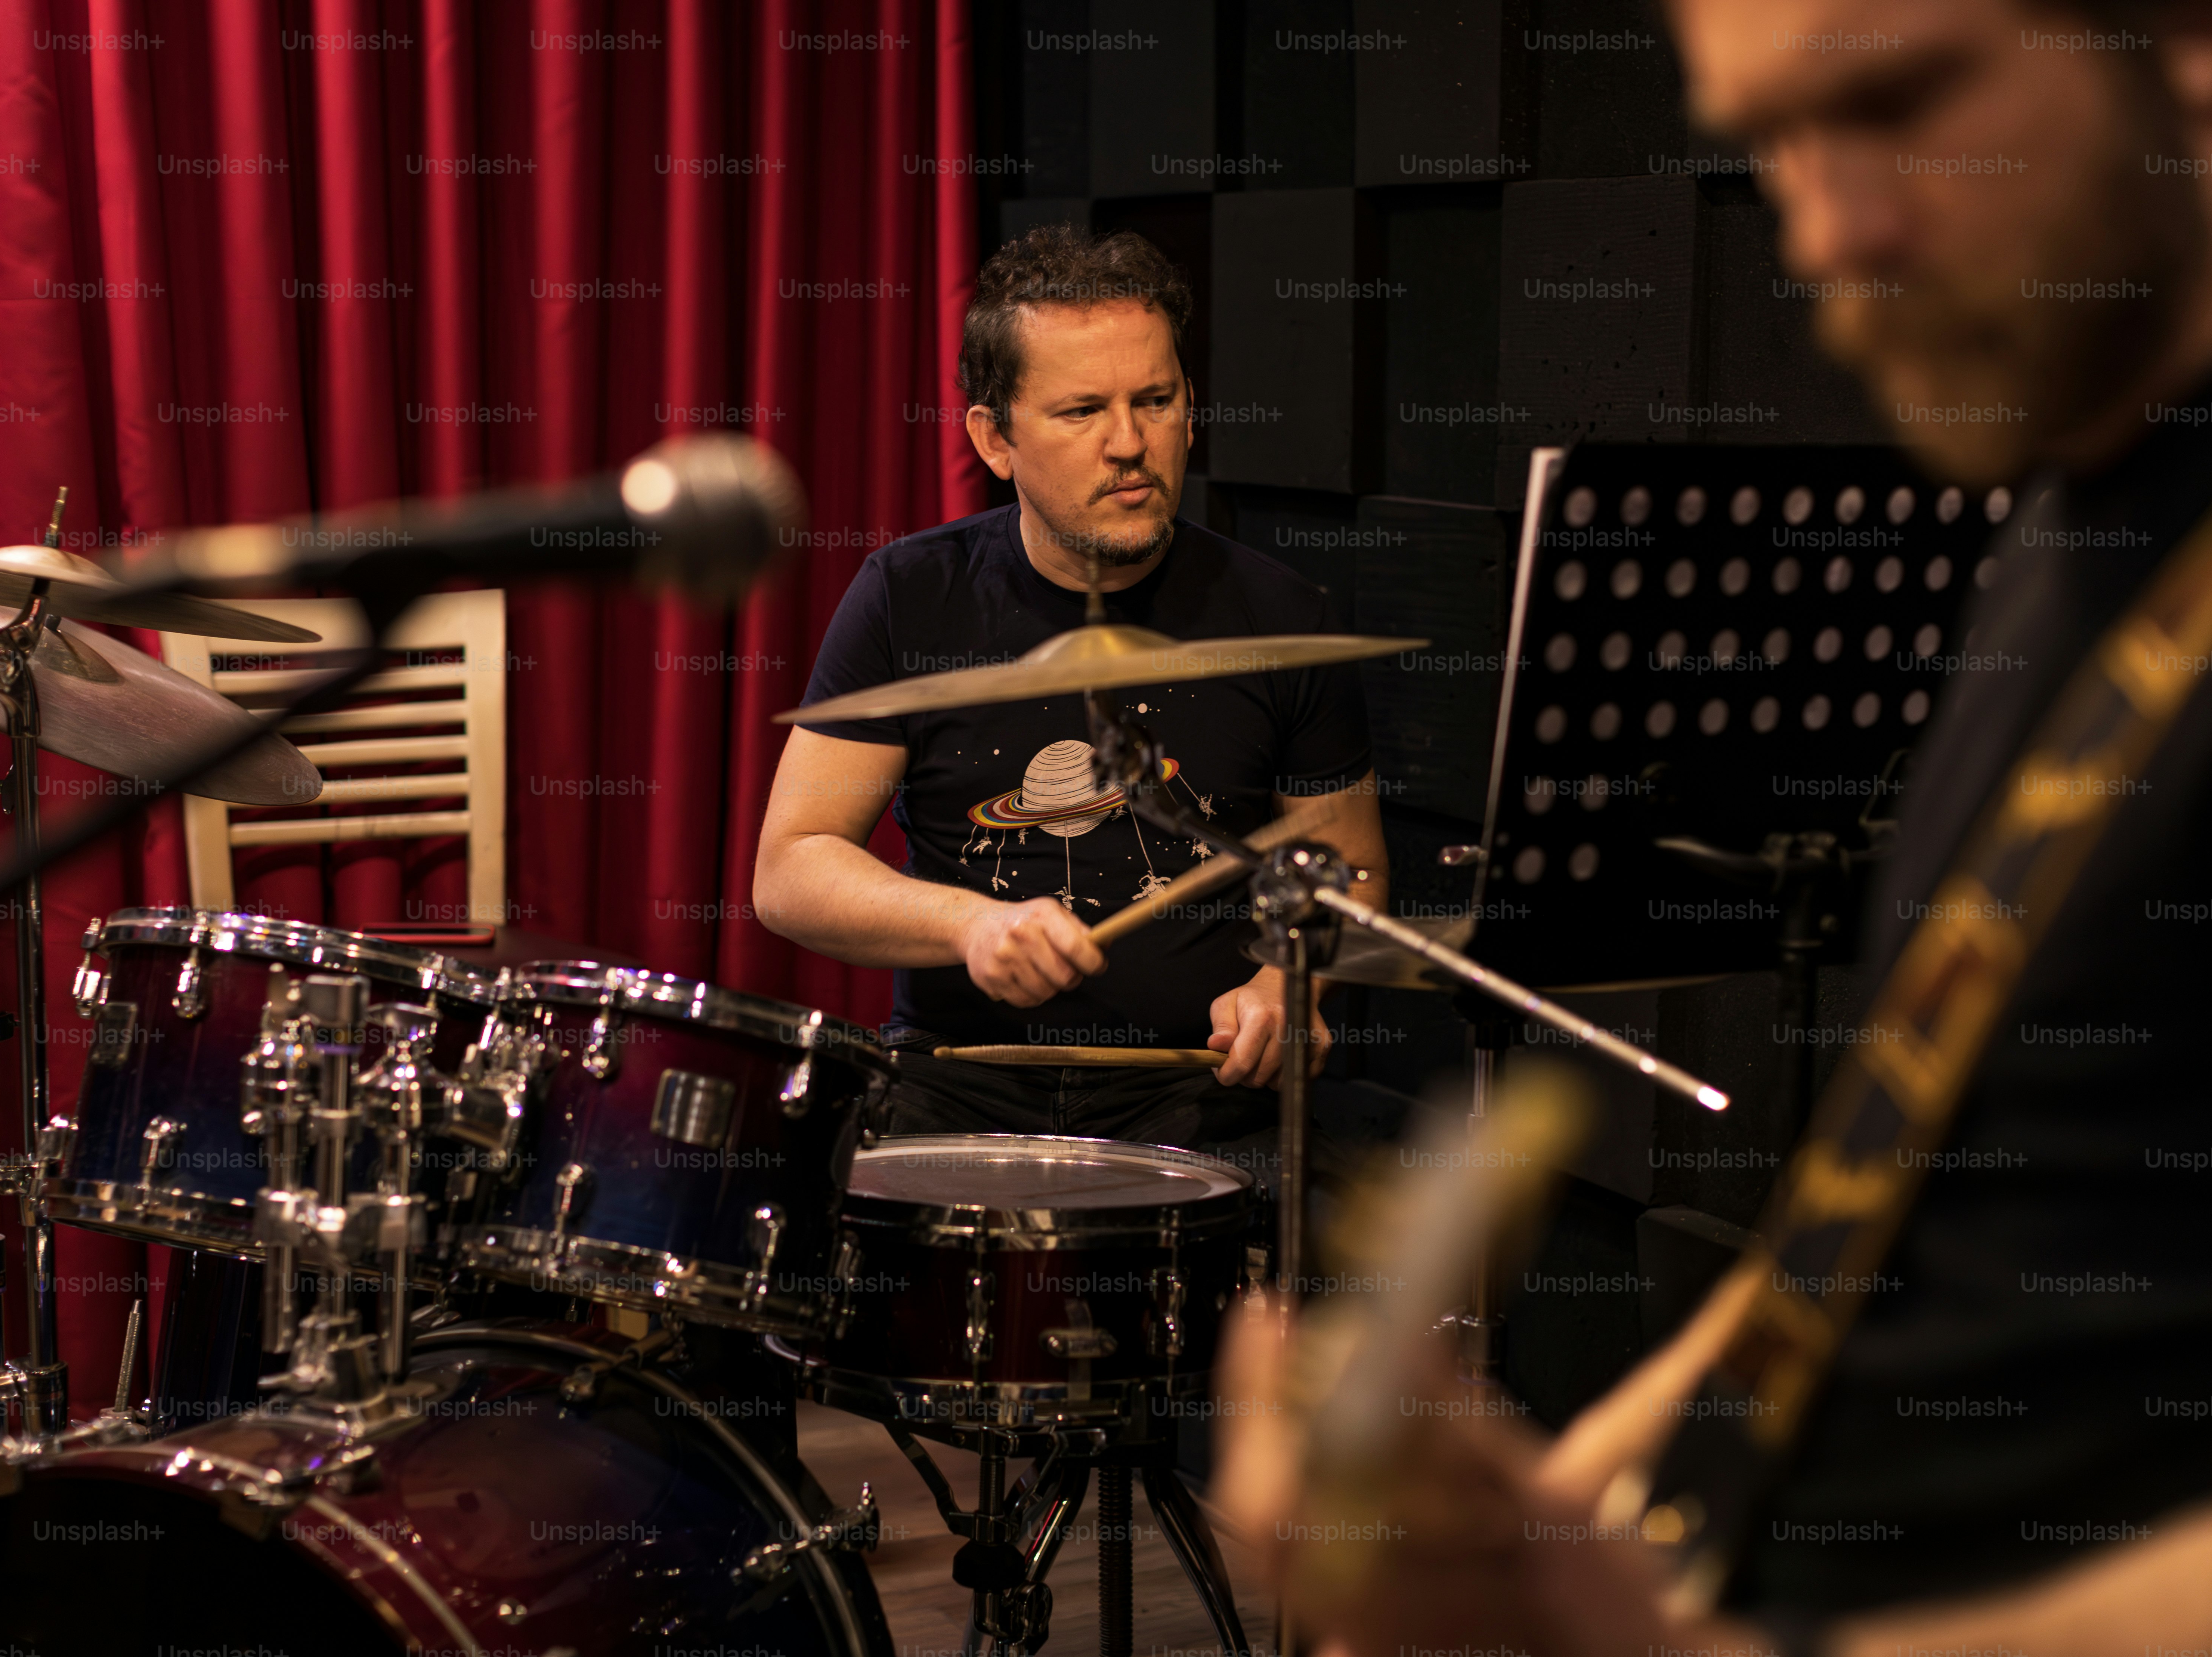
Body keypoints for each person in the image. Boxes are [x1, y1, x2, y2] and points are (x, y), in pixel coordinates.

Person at [1216, 1, 2212, 1653]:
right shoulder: (2070, 497)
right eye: (1767, 143)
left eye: (1897, 100)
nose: (1829, 232)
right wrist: (1563, 1522)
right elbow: (1893, 1181)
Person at [753, 226, 1389, 1155]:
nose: (1130, 444)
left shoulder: (1283, 619)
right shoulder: (909, 597)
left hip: (1195, 1096)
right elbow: (791, 869)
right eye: (1082, 410)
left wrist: (1291, 987)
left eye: (1157, 401)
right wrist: (972, 923)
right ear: (994, 439)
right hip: (959, 1083)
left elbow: (1354, 874)